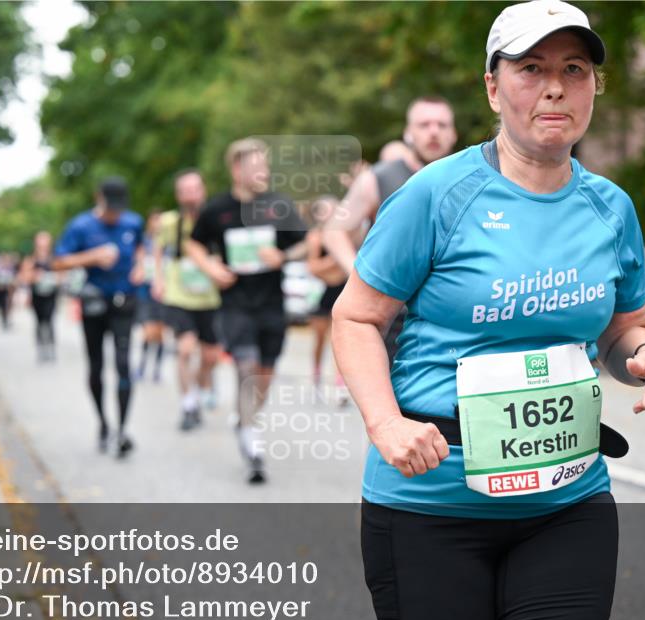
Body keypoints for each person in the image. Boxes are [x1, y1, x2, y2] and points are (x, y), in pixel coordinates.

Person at [331, 2, 645, 620]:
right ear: (493, 87)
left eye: (574, 68)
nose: (555, 86)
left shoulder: (610, 208)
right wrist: (385, 423)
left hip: (568, 502)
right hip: (431, 504)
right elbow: (356, 316)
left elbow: (625, 329)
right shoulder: (434, 195)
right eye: (531, 68)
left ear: (595, 87)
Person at [186, 138, 307, 483]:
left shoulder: (278, 206)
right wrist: (211, 269)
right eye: (256, 167)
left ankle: (245, 418)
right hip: (235, 304)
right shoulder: (217, 209)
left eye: (265, 167)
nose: (263, 173)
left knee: (265, 376)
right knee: (245, 364)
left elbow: (305, 243)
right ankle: (252, 442)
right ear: (237, 169)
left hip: (271, 303)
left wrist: (283, 256)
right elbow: (194, 243)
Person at [323, 95, 458, 362]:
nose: (434, 131)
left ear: (453, 134)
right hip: (394, 322)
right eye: (424, 124)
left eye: (442, 125)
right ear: (408, 133)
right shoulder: (381, 177)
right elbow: (333, 230)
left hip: (450, 321)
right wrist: (359, 273)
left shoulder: (467, 176)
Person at [54, 177, 146, 457]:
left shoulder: (133, 222)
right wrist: (92, 257)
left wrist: (141, 266)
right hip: (94, 303)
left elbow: (142, 249)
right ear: (99, 198)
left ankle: (122, 430)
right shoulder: (81, 226)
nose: (114, 214)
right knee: (95, 366)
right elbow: (59, 261)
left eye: (118, 209)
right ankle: (103, 423)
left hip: (124, 301)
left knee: (123, 364)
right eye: (110, 209)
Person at [152, 169, 222, 431]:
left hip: (210, 296)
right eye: (186, 190)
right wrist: (158, 279)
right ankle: (188, 403)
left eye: (196, 189)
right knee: (184, 349)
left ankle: (202, 384)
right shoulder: (170, 222)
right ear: (179, 195)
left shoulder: (216, 217)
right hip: (179, 294)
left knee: (211, 356)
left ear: (203, 190)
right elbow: (157, 250)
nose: (192, 195)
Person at [304, 195, 348, 403]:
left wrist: (331, 267)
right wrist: (333, 261)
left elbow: (342, 272)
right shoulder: (316, 237)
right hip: (321, 293)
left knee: (340, 341)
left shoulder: (345, 235)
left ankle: (340, 386)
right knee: (320, 340)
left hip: (341, 290)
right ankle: (316, 378)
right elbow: (313, 267)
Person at [135, 208, 167, 382]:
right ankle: (142, 365)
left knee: (160, 333)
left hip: (163, 293)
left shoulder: (168, 244)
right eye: (154, 220)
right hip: (145, 291)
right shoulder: (143, 242)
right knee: (148, 332)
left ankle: (157, 369)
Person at [20, 231, 62, 362]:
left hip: (51, 295)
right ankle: (41, 349)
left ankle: (50, 348)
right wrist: (35, 276)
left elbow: (62, 276)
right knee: (39, 322)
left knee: (49, 321)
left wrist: (53, 278)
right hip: (37, 296)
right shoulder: (31, 260)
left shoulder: (55, 259)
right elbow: (24, 277)